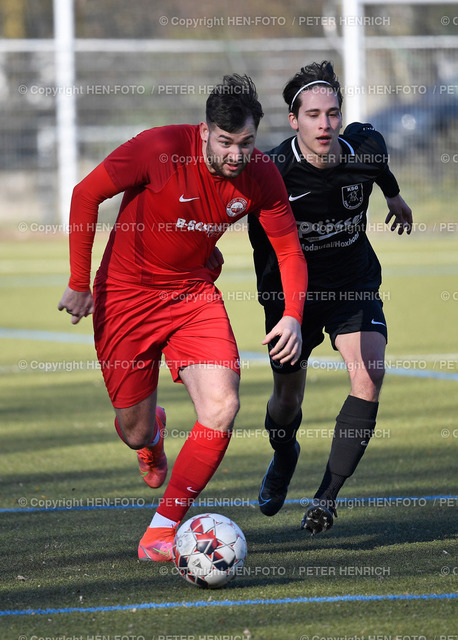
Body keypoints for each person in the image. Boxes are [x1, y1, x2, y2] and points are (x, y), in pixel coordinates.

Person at [58, 74, 307, 561]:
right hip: (126, 297)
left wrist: (293, 315)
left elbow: (289, 250)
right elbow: (86, 194)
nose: (237, 155)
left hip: (193, 296)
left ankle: (162, 528)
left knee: (222, 406)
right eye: (226, 142)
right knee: (133, 429)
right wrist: (78, 281)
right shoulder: (159, 148)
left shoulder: (260, 174)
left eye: (247, 143)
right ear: (203, 131)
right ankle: (150, 437)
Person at [248, 61, 413, 535]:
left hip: (352, 282)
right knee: (286, 398)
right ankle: (284, 455)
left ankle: (326, 498)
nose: (325, 124)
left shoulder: (366, 146)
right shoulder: (272, 173)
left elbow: (378, 168)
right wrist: (280, 307)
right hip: (289, 296)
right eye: (314, 115)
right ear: (293, 121)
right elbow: (260, 244)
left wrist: (394, 198)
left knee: (370, 372)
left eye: (333, 114)